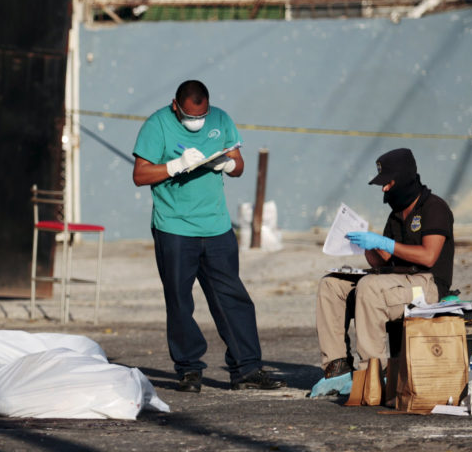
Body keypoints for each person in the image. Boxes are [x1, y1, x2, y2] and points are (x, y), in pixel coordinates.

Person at [132, 79, 285, 393]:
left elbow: (239, 164)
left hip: (216, 227)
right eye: (189, 117)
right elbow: (140, 174)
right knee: (179, 301)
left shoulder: (221, 119)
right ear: (176, 106)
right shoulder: (156, 125)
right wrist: (174, 166)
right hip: (174, 228)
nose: (196, 123)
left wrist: (228, 164)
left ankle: (247, 368)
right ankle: (189, 369)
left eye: (200, 116)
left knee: (233, 299)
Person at [317, 147, 455, 378]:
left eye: (388, 183)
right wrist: (368, 246)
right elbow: (384, 262)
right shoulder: (396, 215)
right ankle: (337, 367)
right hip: (396, 280)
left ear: (402, 178)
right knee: (331, 285)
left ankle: (371, 375)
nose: (384, 189)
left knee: (369, 288)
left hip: (427, 284)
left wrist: (387, 244)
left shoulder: (434, 208)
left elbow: (428, 256)